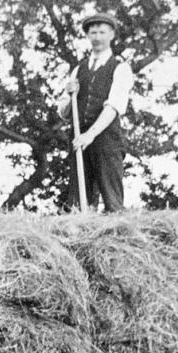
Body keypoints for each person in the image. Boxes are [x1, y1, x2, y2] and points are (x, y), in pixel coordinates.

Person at [59, 12, 134, 212]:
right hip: (78, 139)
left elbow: (113, 108)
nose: (97, 37)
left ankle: (117, 236)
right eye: (93, 32)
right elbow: (64, 112)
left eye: (102, 32)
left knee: (112, 199)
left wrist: (89, 135)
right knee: (78, 202)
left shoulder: (120, 68)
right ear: (88, 36)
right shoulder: (78, 70)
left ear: (111, 35)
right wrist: (68, 94)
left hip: (106, 139)